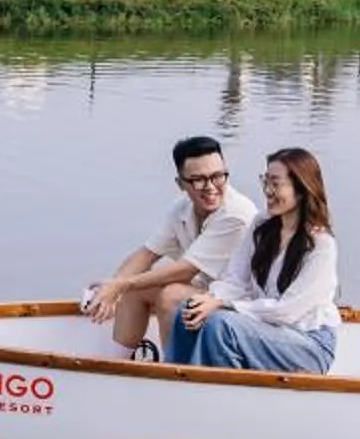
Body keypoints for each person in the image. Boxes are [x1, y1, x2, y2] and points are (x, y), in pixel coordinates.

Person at [163, 147, 342, 375]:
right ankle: (175, 383)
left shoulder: (320, 244)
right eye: (265, 181)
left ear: (301, 188)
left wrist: (223, 304)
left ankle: (213, 394)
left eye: (276, 184)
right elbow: (235, 280)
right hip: (266, 330)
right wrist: (209, 299)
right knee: (188, 311)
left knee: (221, 325)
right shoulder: (262, 225)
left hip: (308, 344)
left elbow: (286, 312)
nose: (268, 191)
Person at [82, 136, 256, 358]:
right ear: (181, 183)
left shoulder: (236, 214)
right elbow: (147, 253)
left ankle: (173, 370)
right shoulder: (181, 208)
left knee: (171, 295)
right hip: (206, 293)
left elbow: (187, 269)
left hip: (239, 304)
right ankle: (113, 363)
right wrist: (110, 289)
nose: (211, 187)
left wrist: (120, 285)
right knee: (137, 288)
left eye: (217, 176)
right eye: (198, 180)